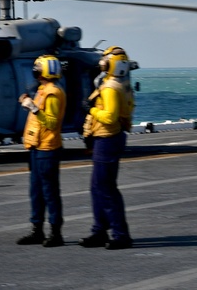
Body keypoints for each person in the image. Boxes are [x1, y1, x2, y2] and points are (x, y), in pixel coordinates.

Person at [78, 46, 135, 250]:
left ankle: (120, 234)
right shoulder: (123, 84)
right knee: (97, 187)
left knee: (106, 189)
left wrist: (91, 109)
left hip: (107, 138)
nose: (102, 63)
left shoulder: (111, 87)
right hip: (109, 138)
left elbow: (109, 116)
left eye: (105, 61)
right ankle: (99, 230)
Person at [16, 54, 67, 247]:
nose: (35, 72)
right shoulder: (43, 90)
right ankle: (37, 230)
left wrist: (33, 108)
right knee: (36, 191)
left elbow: (52, 123)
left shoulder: (53, 92)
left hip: (47, 148)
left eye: (37, 69)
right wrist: (30, 103)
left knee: (50, 192)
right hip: (37, 147)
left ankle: (56, 233)